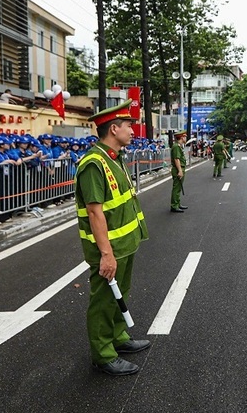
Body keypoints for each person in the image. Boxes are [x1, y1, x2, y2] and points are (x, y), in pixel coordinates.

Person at [75, 99, 150, 376]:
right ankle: (103, 354)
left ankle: (118, 337)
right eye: (129, 126)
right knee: (104, 301)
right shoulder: (94, 163)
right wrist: (106, 254)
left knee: (121, 293)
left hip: (124, 244)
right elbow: (95, 212)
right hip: (110, 249)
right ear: (114, 129)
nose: (133, 131)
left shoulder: (114, 158)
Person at [170, 131, 188, 213]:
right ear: (181, 137)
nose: (186, 138)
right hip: (178, 169)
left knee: (179, 188)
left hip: (180, 168)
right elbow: (176, 159)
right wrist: (180, 171)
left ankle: (177, 203)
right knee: (176, 188)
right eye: (185, 137)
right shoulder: (176, 147)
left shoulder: (179, 146)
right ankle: (174, 205)